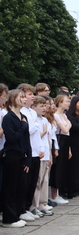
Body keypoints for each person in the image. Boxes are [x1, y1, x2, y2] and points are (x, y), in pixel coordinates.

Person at [1, 90, 32, 227]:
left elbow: (27, 141)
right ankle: (9, 218)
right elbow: (11, 138)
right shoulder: (9, 118)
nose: (24, 99)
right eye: (21, 97)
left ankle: (18, 213)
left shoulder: (23, 116)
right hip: (12, 155)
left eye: (25, 97)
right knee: (11, 187)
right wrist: (23, 127)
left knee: (21, 186)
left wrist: (28, 159)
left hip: (21, 156)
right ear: (13, 99)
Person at [50, 94, 71, 204]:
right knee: (57, 168)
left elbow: (68, 132)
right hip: (60, 140)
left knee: (63, 168)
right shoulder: (56, 115)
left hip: (66, 142)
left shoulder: (65, 116)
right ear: (59, 103)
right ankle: (54, 194)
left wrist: (69, 149)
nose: (68, 103)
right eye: (66, 101)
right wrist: (68, 124)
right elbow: (65, 129)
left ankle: (58, 192)